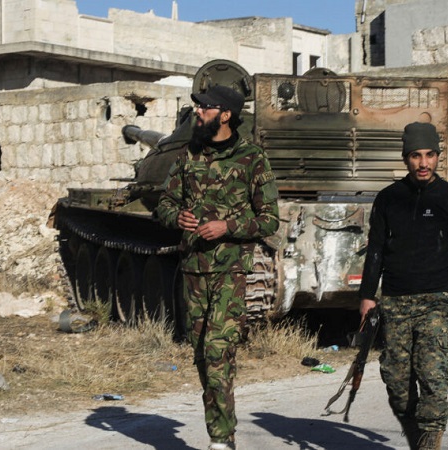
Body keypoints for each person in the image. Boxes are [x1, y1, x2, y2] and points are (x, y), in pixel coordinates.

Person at [156, 85, 280, 450]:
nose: (197, 113)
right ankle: (220, 432)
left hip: (229, 274)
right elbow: (164, 202)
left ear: (225, 114)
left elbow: (270, 219)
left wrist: (228, 227)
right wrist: (175, 216)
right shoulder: (187, 155)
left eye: (204, 108)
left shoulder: (252, 158)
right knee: (200, 354)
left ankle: (222, 438)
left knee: (217, 351)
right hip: (193, 270)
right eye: (197, 107)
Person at [357, 121, 448, 450]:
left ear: (438, 156)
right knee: (397, 387)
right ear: (406, 158)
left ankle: (430, 444)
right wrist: (367, 297)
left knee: (433, 379)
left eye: (430, 155)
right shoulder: (388, 199)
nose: (424, 163)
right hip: (396, 302)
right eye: (416, 155)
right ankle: (420, 443)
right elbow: (375, 250)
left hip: (436, 301)